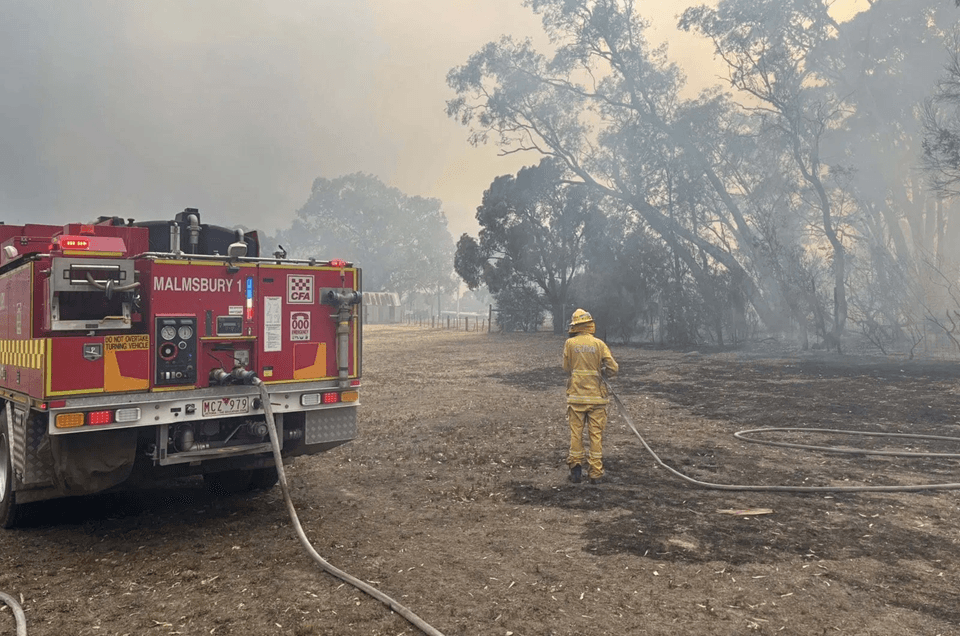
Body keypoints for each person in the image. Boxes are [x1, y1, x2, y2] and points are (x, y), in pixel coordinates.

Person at [562, 308, 618, 484]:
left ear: (575, 326)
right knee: (596, 435)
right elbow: (613, 369)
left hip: (576, 398)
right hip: (597, 400)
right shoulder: (599, 344)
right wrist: (601, 372)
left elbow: (566, 367)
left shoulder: (569, 344)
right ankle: (595, 473)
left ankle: (576, 472)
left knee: (575, 434)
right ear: (589, 324)